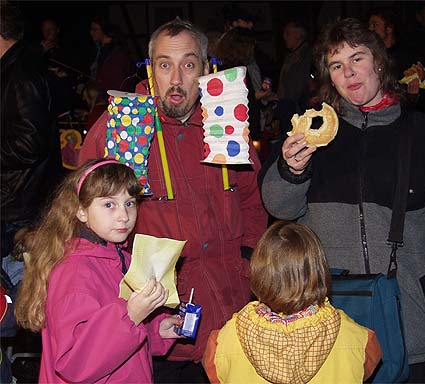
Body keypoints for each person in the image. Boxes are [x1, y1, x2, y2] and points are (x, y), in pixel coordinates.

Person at [259, 18, 425, 383]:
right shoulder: (312, 131)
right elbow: (279, 208)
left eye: (357, 58)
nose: (349, 73)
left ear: (378, 61)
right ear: (328, 77)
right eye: (336, 65)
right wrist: (290, 169)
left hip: (411, 317)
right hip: (330, 322)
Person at [79, 18, 268, 382]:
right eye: (165, 65)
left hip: (233, 316)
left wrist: (248, 258)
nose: (176, 79)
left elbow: (251, 200)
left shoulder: (226, 123)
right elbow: (84, 218)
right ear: (151, 70)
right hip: (158, 328)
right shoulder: (120, 130)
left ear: (206, 69)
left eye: (188, 64)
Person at [14, 159, 183, 383]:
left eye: (130, 203)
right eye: (109, 205)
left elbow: (113, 346)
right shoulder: (75, 272)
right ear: (81, 211)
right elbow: (75, 361)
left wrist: (155, 332)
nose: (124, 215)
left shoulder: (118, 258)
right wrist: (131, 316)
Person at [203, 220, 382, 383]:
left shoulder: (223, 341)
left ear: (258, 271)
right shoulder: (360, 339)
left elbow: (216, 375)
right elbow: (365, 370)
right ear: (319, 271)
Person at [1, 1, 61, 272]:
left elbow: (28, 143)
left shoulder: (21, 74)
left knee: (21, 286)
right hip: (16, 201)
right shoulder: (13, 69)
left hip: (20, 206)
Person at [89, 17, 135, 100]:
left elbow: (117, 84)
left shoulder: (117, 55)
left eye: (95, 29)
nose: (91, 32)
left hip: (114, 100)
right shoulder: (100, 51)